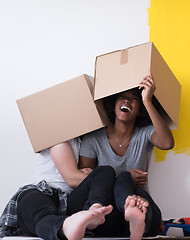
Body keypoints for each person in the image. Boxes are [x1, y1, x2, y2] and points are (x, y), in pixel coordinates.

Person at [79, 73, 174, 240]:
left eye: (134, 99)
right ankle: (133, 215)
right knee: (120, 176)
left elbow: (167, 143)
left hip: (139, 201)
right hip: (106, 211)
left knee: (141, 201)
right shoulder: (93, 139)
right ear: (113, 105)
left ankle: (136, 217)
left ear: (139, 111)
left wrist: (147, 100)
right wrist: (124, 176)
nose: (127, 101)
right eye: (122, 97)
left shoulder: (144, 134)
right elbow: (87, 179)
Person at [0, 138, 115, 240]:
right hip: (42, 189)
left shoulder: (86, 142)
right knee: (40, 211)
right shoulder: (56, 134)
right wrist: (88, 176)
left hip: (67, 200)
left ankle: (95, 210)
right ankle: (66, 226)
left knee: (105, 171)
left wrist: (96, 176)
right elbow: (71, 178)